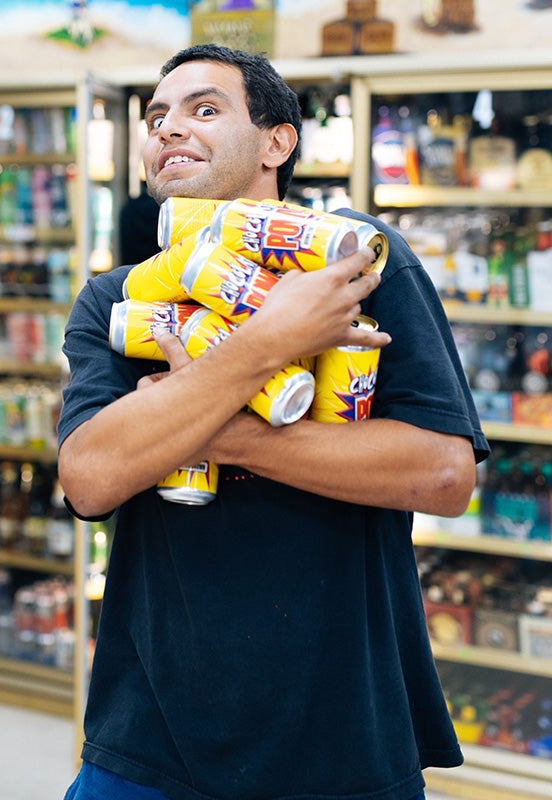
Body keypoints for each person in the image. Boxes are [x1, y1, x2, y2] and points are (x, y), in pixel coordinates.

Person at [57, 43, 489, 800]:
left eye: (204, 109)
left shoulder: (354, 263)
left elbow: (443, 474)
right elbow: (91, 479)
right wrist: (268, 343)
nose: (167, 128)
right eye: (156, 117)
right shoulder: (117, 299)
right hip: (150, 737)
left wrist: (202, 421)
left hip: (343, 734)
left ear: (277, 141)